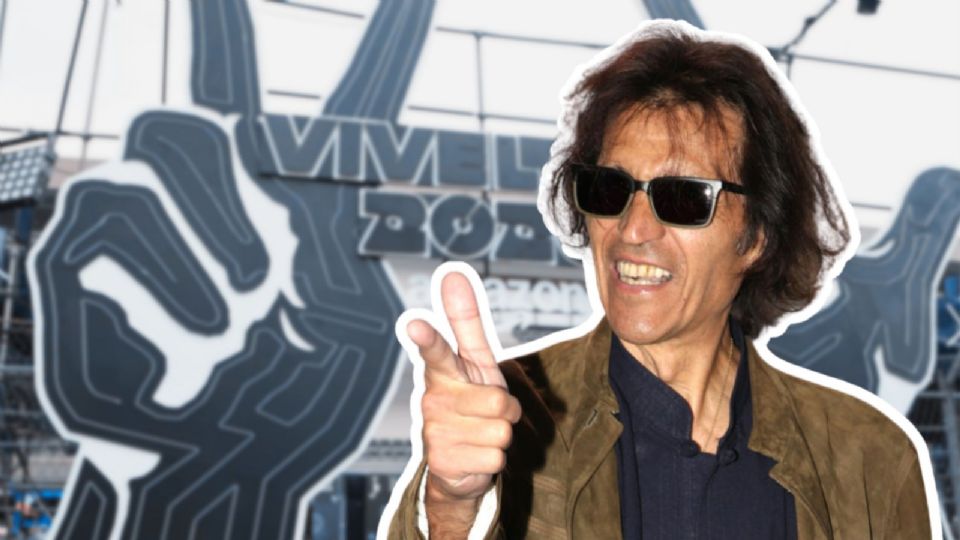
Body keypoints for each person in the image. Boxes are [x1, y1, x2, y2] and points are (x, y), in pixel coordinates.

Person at [385, 20, 934, 539]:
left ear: (756, 238)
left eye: (683, 198)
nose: (632, 229)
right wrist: (451, 506)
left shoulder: (871, 460)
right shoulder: (504, 419)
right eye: (609, 189)